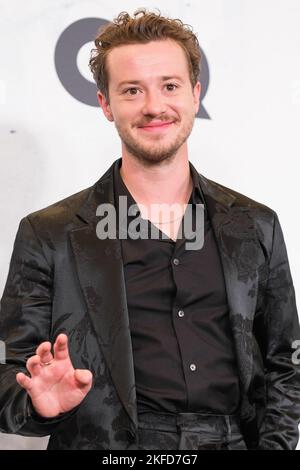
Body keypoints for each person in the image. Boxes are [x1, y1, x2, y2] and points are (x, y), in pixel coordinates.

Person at [0, 8, 299, 451]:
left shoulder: (256, 225)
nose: (154, 106)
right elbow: (9, 374)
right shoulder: (49, 234)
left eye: (170, 86)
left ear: (196, 95)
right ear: (105, 103)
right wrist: (42, 404)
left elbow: (286, 365)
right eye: (132, 90)